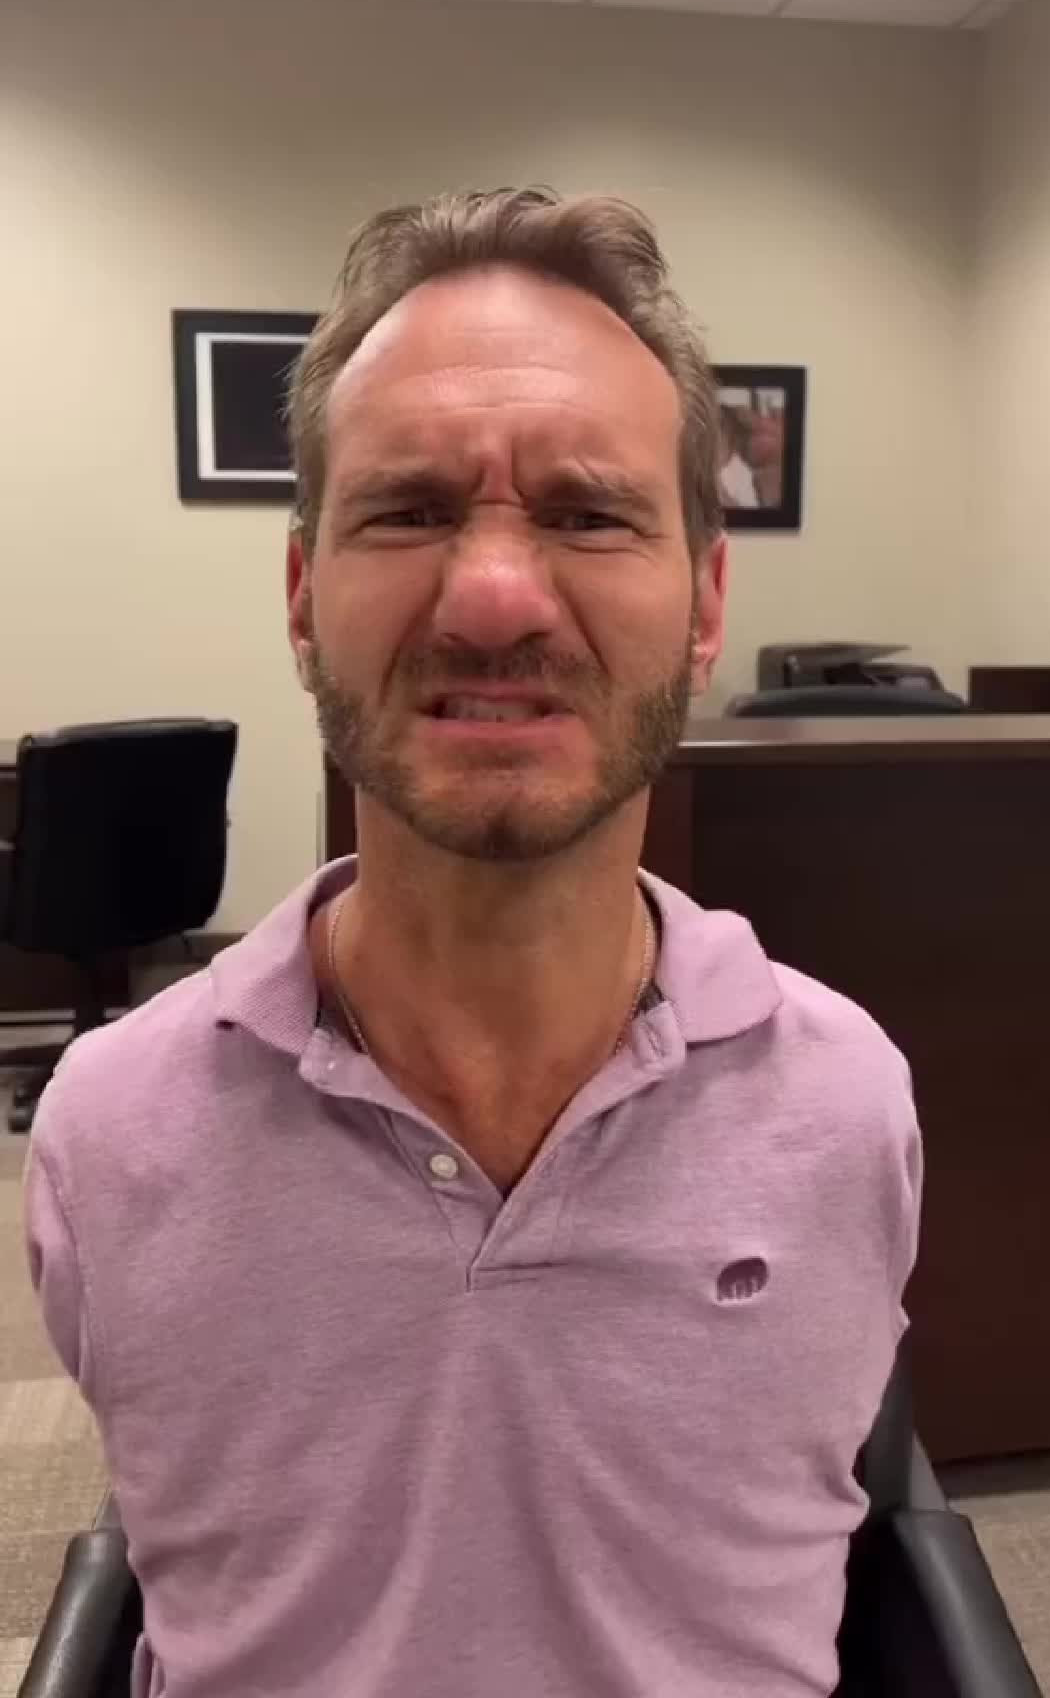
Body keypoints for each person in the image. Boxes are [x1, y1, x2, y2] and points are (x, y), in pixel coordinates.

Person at [24, 188, 921, 1698]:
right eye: (410, 510)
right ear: (303, 597)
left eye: (587, 514)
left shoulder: (847, 1106)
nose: (496, 599)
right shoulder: (111, 1135)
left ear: (705, 604)